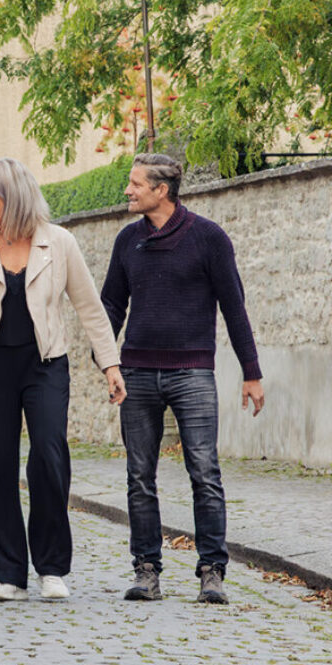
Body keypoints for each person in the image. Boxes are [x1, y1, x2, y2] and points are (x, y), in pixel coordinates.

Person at [0, 158, 126, 602]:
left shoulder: (59, 242)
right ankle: (8, 574)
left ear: (13, 193)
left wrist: (110, 364)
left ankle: (52, 568)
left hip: (45, 365)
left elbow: (89, 307)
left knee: (49, 459)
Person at [100, 153, 265, 605]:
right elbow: (110, 305)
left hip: (192, 373)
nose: (128, 190)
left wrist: (252, 373)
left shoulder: (209, 238)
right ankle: (146, 571)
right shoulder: (126, 241)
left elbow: (234, 308)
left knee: (204, 472)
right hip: (135, 372)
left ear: (161, 190)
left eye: (136, 184)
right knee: (139, 476)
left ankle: (212, 572)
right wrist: (106, 361)